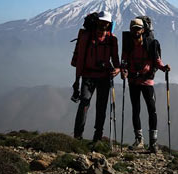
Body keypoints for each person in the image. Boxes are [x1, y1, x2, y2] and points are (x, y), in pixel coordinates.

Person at [121, 18, 170, 153]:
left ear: (143, 30)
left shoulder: (150, 44)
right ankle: (140, 140)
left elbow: (157, 60)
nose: (136, 31)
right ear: (131, 30)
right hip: (133, 81)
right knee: (136, 110)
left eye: (138, 28)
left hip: (147, 81)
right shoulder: (128, 45)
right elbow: (124, 60)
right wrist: (123, 70)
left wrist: (163, 67)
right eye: (134, 28)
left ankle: (152, 143)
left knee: (151, 110)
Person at [72, 11, 120, 142]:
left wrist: (118, 69)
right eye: (101, 22)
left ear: (109, 24)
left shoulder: (112, 40)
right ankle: (78, 137)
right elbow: (81, 59)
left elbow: (116, 60)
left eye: (106, 23)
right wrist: (77, 80)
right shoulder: (87, 37)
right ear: (97, 22)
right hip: (88, 76)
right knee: (84, 104)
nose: (103, 25)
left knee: (101, 107)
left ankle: (97, 138)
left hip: (104, 77)